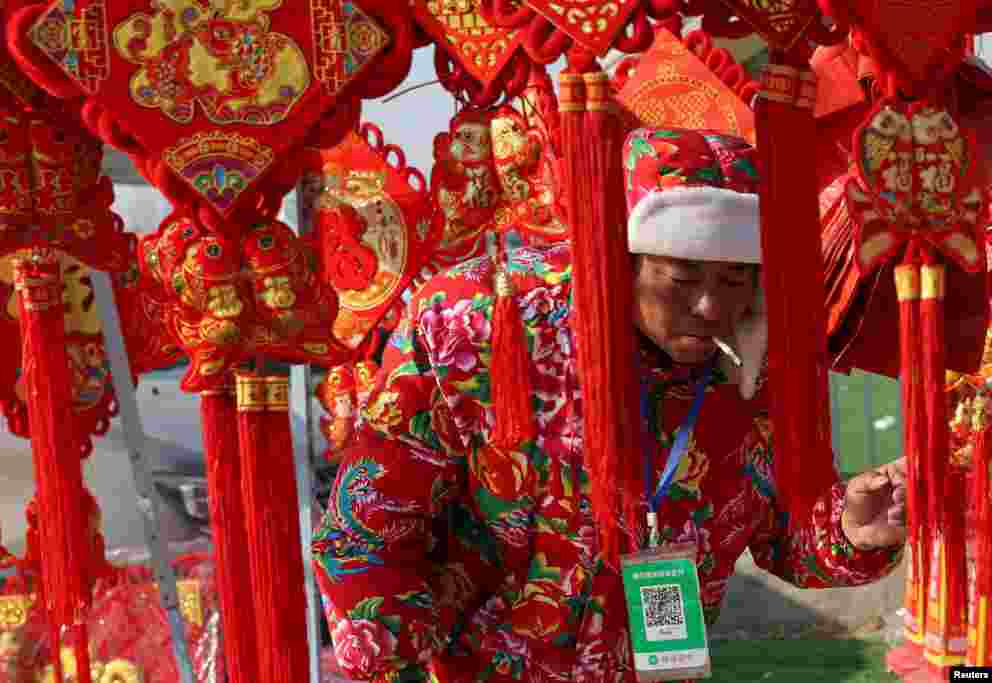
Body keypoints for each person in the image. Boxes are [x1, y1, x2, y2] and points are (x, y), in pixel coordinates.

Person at [311, 127, 907, 682]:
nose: (709, 308)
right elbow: (366, 535)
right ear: (621, 259)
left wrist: (853, 531)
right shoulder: (479, 326)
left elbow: (784, 538)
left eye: (733, 280)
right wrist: (395, 668)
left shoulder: (756, 366)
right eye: (680, 277)